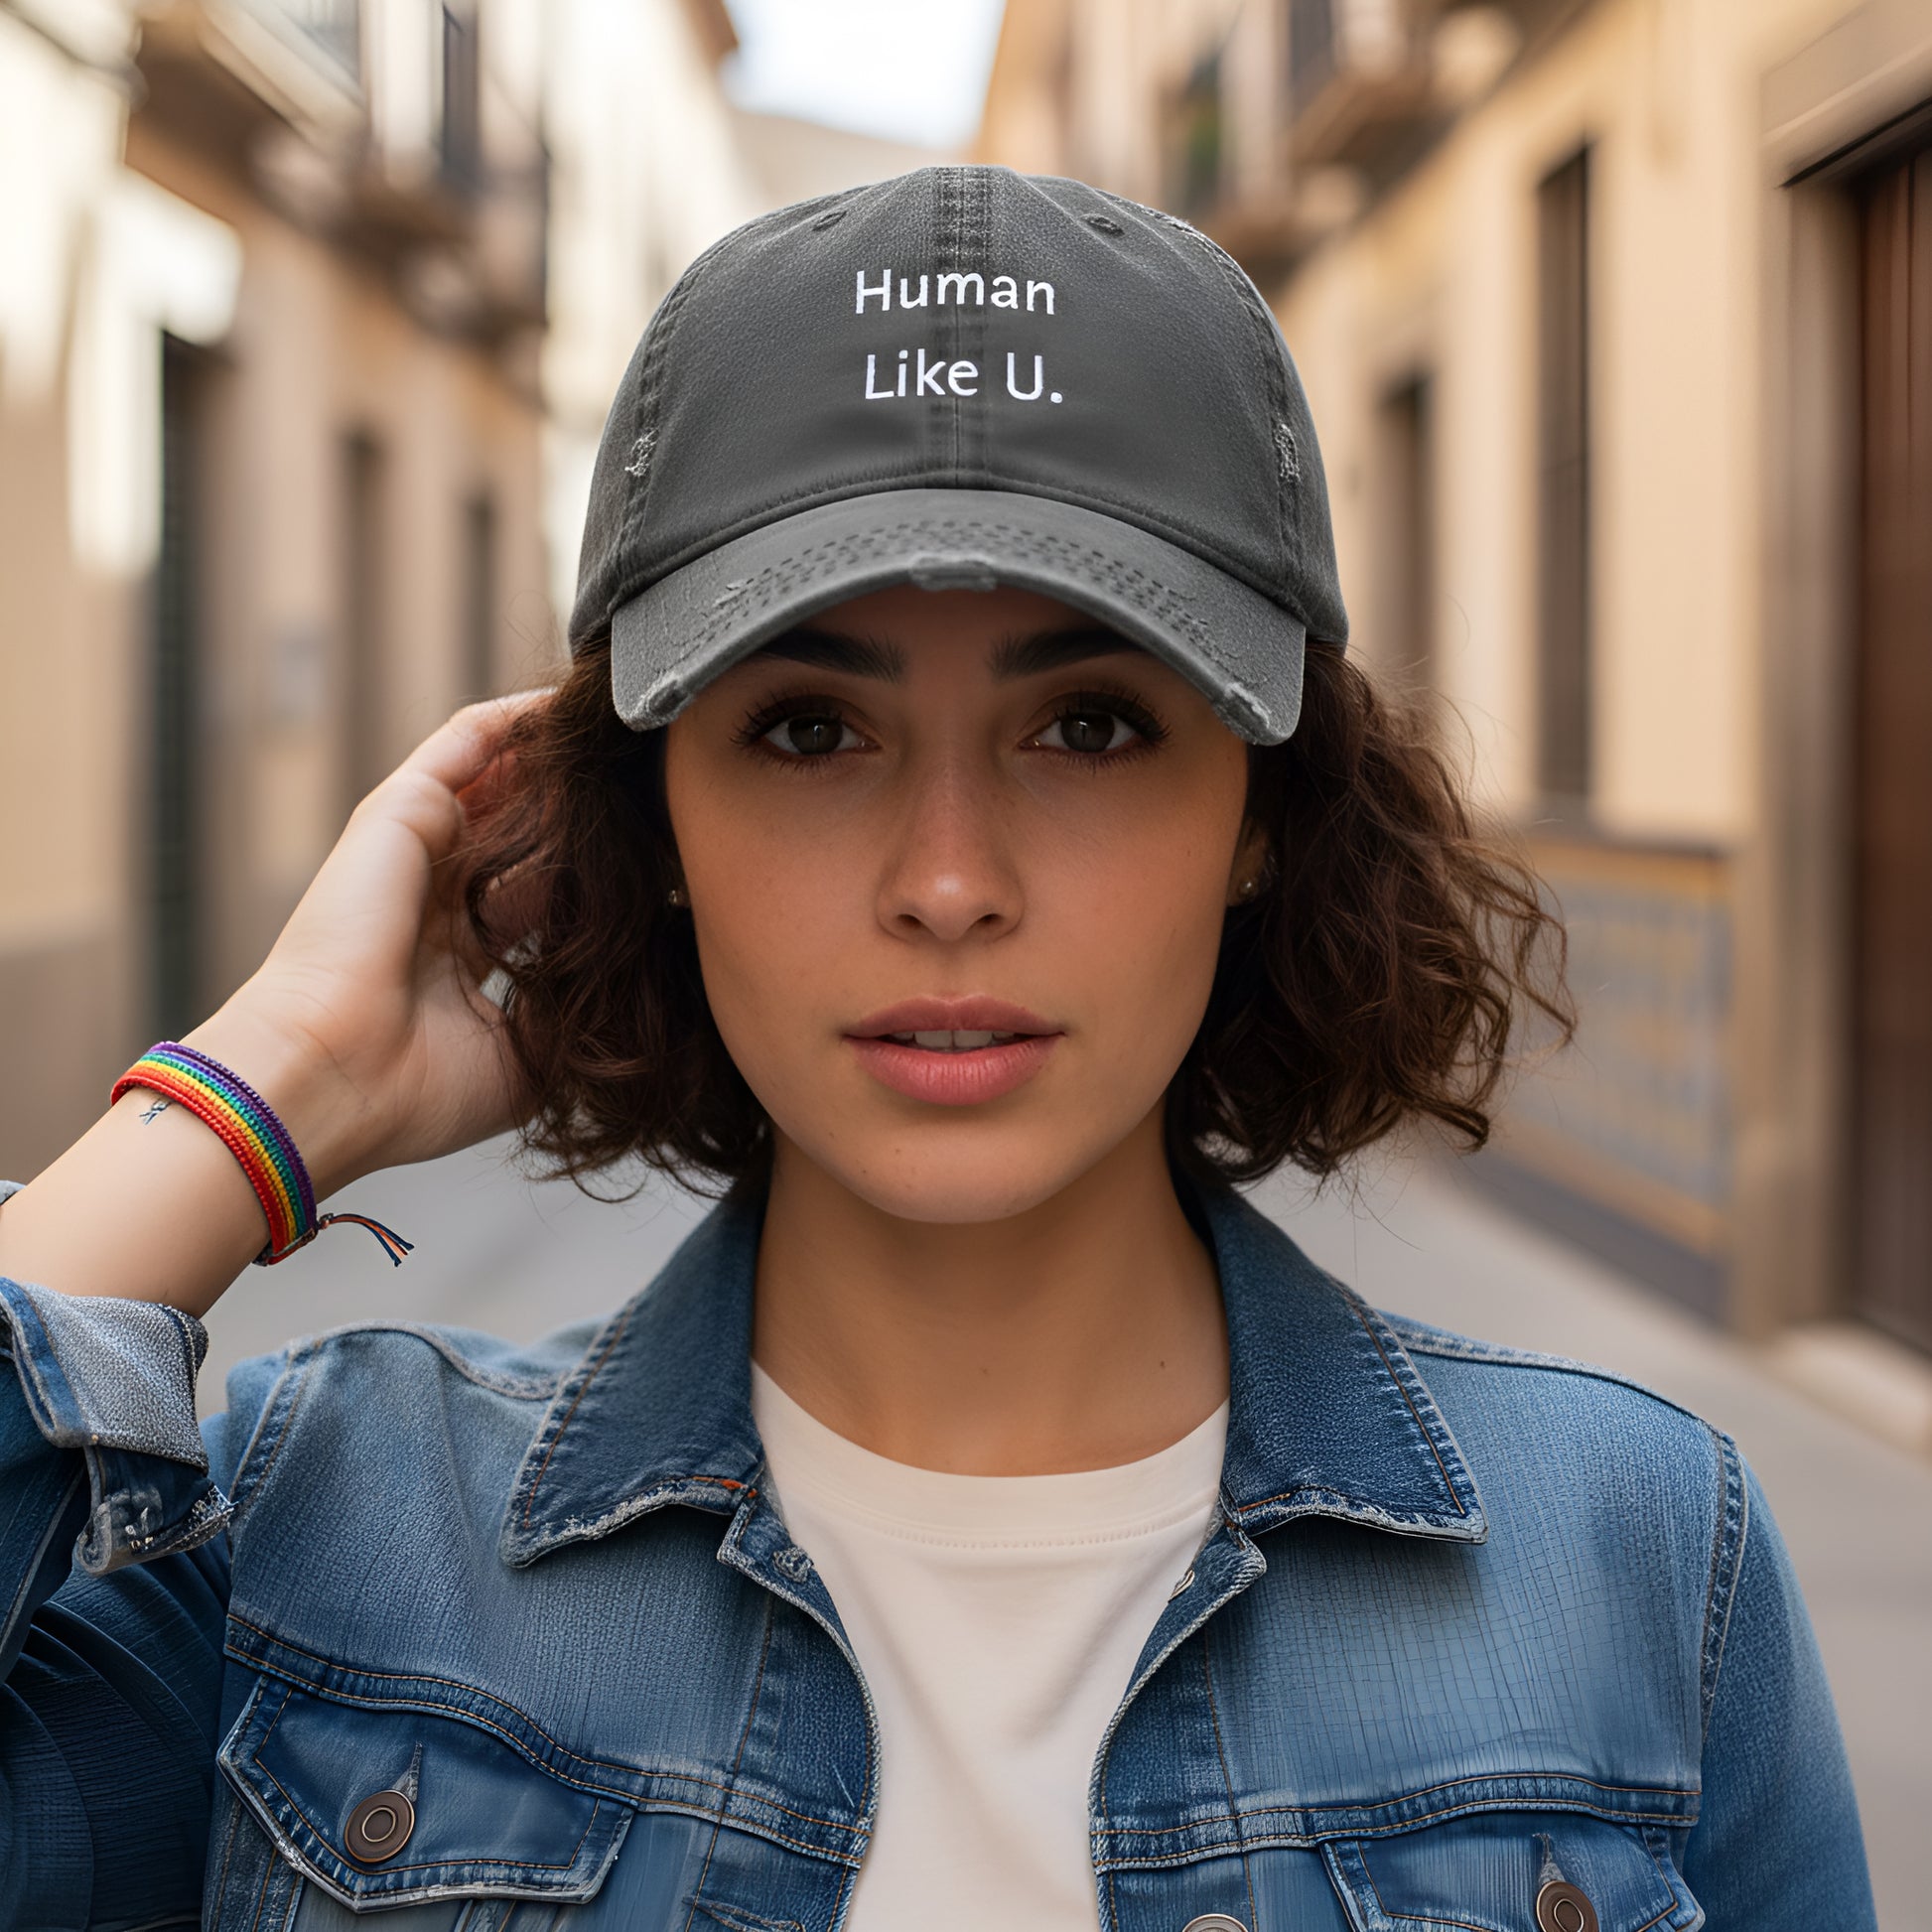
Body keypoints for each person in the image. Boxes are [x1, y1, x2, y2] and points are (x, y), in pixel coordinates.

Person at [0, 168, 1871, 1932]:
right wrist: (255, 1100)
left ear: (1263, 816)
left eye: (1092, 725)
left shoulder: (1636, 1556)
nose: (951, 881)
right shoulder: (325, 1530)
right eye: (811, 730)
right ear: (644, 826)